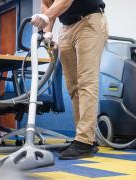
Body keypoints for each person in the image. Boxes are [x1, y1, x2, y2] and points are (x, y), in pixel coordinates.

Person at [31, 0, 108, 159]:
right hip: (66, 27)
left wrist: (46, 16)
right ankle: (87, 139)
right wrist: (47, 33)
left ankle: (84, 141)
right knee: (73, 86)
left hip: (89, 21)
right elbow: (46, 3)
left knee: (86, 82)